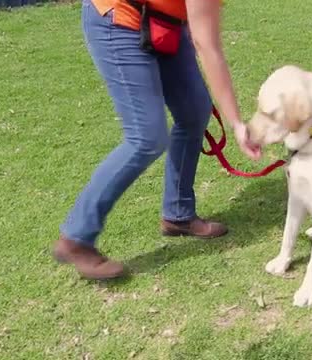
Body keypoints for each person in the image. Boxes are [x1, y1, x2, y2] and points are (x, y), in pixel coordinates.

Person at [53, 0, 262, 280]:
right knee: (146, 137)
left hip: (165, 23)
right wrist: (236, 122)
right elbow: (207, 46)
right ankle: (76, 238)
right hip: (120, 19)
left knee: (194, 111)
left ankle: (178, 214)